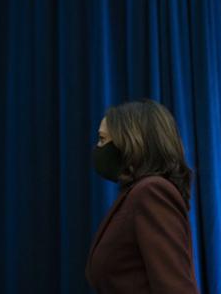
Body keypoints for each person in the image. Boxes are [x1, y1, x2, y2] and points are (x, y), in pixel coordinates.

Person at [85, 99, 199, 294]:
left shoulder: (151, 192)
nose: (98, 148)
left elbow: (174, 287)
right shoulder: (135, 194)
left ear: (130, 143)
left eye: (103, 139)